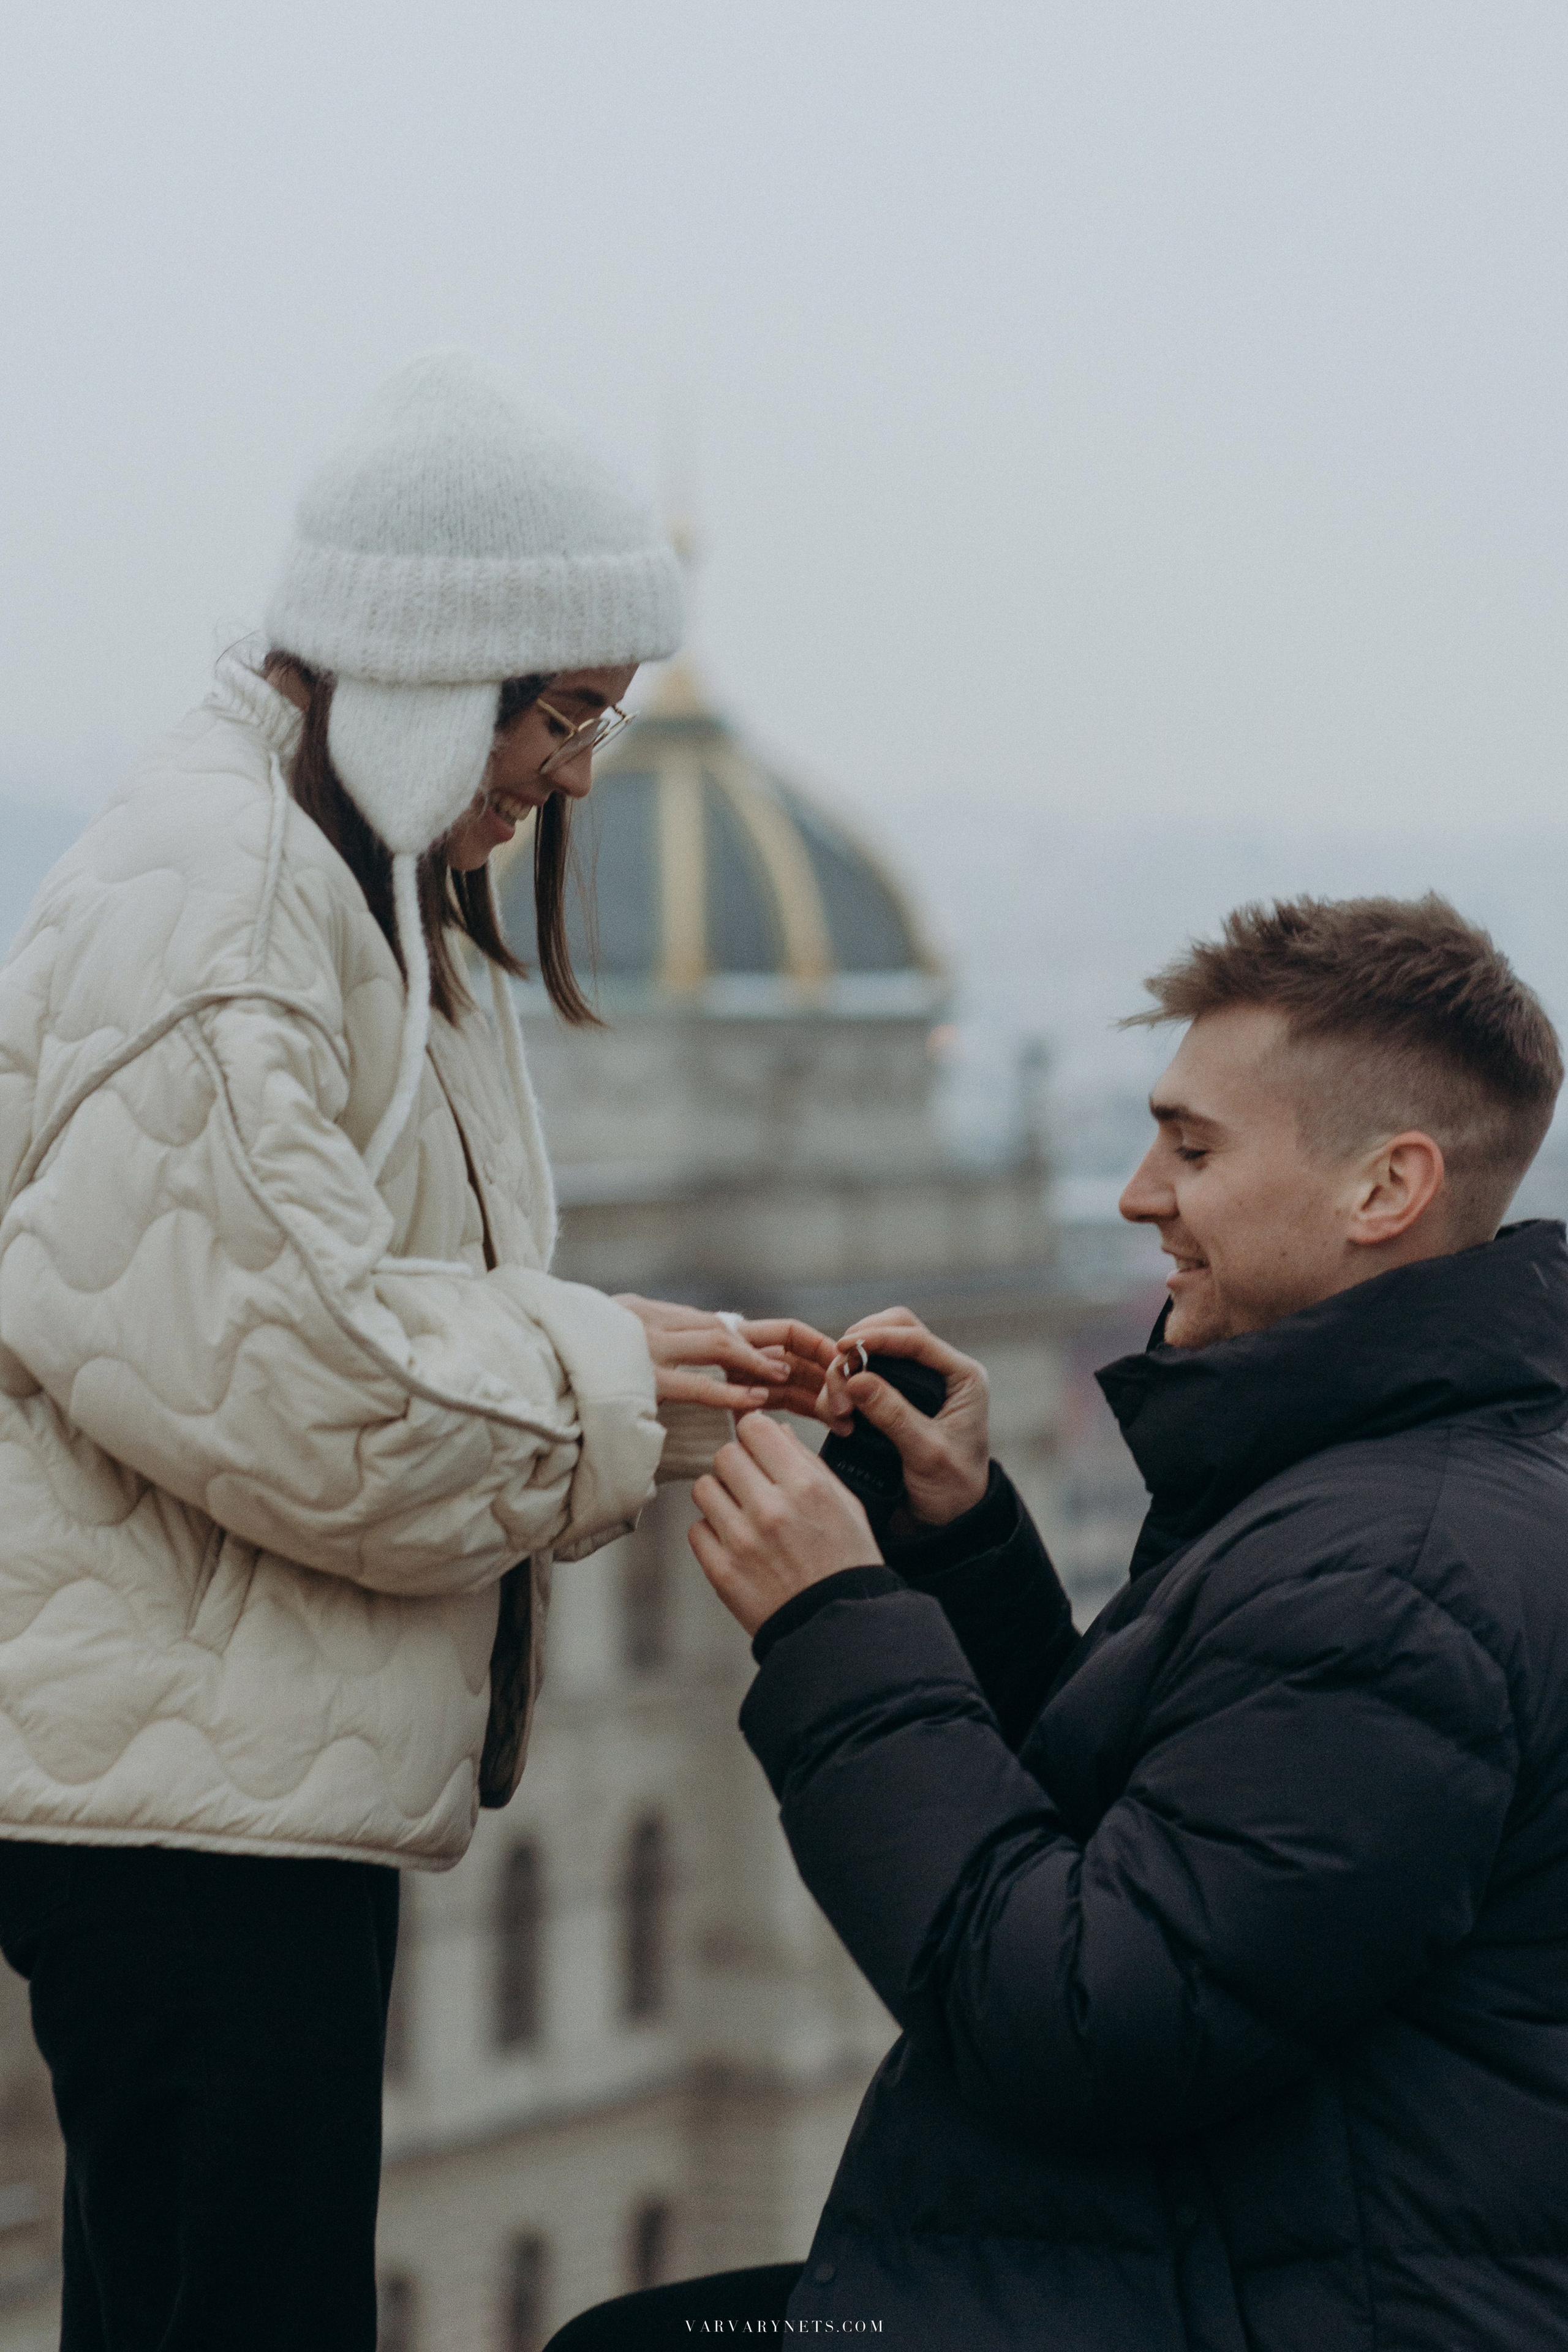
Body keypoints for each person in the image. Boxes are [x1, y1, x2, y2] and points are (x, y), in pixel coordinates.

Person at [0, 350, 832, 2351]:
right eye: (562, 713)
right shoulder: (228, 902)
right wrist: (619, 1385)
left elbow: (330, 1304)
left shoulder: (330, 867)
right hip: (192, 1815)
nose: (574, 773)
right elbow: (305, 1387)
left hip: (228, 1778)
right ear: (420, 665)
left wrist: (624, 1345)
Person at [552, 892, 1568, 2350]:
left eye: (1193, 1148)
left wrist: (833, 1620)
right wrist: (957, 1549)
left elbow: (1074, 2022)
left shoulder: (1389, 1580)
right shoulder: (1385, 1486)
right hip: (1240, 2254)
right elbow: (1151, 1850)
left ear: (1383, 1189)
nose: (1134, 1192)